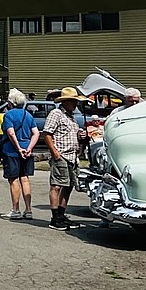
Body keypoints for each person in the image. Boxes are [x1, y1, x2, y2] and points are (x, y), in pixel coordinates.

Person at [42, 87, 87, 231]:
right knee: (57, 185)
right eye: (73, 101)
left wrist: (80, 137)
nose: (75, 104)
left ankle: (61, 215)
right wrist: (55, 152)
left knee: (69, 185)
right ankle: (55, 218)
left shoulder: (71, 117)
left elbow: (71, 135)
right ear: (66, 101)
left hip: (72, 157)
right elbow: (47, 133)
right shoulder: (56, 113)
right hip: (61, 155)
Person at [0, 88, 39, 220]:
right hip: (27, 150)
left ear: (11, 102)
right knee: (25, 178)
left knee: (13, 180)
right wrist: (29, 147)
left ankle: (15, 209)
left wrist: (18, 148)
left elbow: (10, 133)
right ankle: (28, 210)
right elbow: (36, 133)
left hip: (12, 151)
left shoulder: (8, 115)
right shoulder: (28, 115)